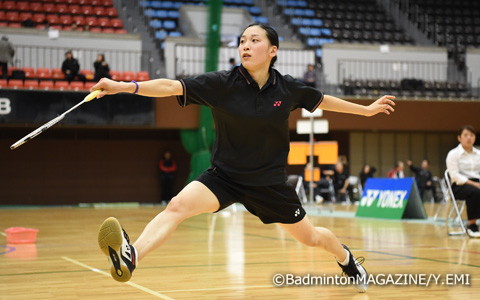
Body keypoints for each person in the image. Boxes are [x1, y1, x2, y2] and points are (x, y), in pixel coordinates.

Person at [93, 23, 395, 292]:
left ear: (272, 50)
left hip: (268, 184)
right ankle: (131, 257)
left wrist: (366, 110)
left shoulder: (288, 88)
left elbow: (321, 100)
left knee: (312, 238)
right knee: (178, 206)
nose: (245, 46)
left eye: (253, 40)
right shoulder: (223, 83)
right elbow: (172, 86)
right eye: (242, 41)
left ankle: (347, 259)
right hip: (224, 176)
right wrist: (123, 86)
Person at [446, 125, 480, 238]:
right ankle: (472, 225)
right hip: (458, 186)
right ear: (459, 138)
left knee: (476, 190)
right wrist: (474, 184)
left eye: (472, 135)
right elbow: (455, 176)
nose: (469, 138)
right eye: (466, 135)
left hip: (477, 183)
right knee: (475, 191)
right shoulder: (453, 154)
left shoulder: (478, 154)